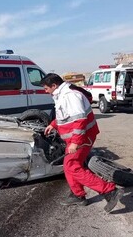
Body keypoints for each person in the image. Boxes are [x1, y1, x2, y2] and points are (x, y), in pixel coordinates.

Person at [41, 73, 123, 212]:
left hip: (82, 138)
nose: (45, 90)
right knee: (69, 166)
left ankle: (109, 191)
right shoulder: (62, 95)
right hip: (75, 138)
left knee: (72, 166)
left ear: (54, 85)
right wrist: (54, 124)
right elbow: (66, 115)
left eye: (46, 88)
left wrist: (75, 143)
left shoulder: (70, 96)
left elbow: (80, 120)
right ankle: (77, 195)